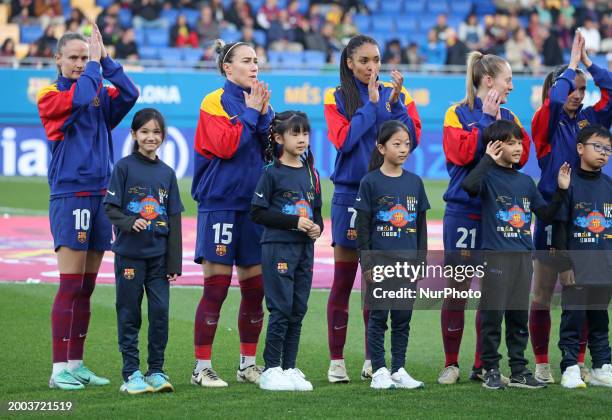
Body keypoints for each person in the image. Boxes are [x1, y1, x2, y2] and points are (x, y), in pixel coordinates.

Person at [36, 26, 138, 390]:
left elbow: (130, 93)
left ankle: (76, 363)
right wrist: (95, 66)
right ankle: (57, 369)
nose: (80, 64)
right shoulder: (51, 95)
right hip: (71, 196)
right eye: (74, 58)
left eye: (85, 57)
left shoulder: (95, 86)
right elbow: (78, 99)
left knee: (86, 287)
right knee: (70, 284)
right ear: (57, 59)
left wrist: (106, 61)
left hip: (100, 196)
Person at [324, 34, 421, 383]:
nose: (372, 67)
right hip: (350, 195)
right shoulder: (335, 96)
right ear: (349, 63)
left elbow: (411, 138)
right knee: (343, 280)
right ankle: (337, 361)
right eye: (364, 60)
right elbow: (345, 140)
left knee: (376, 283)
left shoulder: (400, 96)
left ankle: (372, 358)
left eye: (377, 60)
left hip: (388, 195)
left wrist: (394, 105)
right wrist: (372, 105)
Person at [438, 51, 530, 386]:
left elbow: (521, 155)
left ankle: (482, 365)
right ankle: (451, 363)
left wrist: (492, 128)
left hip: (497, 215)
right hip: (463, 212)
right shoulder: (455, 113)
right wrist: (489, 126)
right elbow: (460, 153)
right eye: (508, 79)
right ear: (488, 80)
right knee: (457, 288)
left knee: (492, 291)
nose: (512, 86)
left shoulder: (512, 116)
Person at [461, 119, 570, 390]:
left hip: (523, 258)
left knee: (518, 316)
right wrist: (486, 159)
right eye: (511, 143)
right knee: (492, 316)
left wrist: (561, 191)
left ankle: (519, 369)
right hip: (496, 256)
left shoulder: (525, 181)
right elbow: (469, 186)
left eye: (519, 141)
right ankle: (490, 369)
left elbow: (545, 214)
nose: (519, 147)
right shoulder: (486, 177)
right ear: (496, 146)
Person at [529, 30, 612, 384]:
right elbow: (555, 101)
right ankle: (544, 361)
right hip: (553, 214)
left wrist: (590, 64)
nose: (577, 95)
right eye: (571, 88)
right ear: (557, 90)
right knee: (544, 292)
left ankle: (580, 364)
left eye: (582, 89)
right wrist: (572, 65)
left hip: (587, 218)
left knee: (586, 290)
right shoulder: (545, 122)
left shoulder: (589, 123)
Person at [191, 39, 273, 387]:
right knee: (217, 289)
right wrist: (254, 113)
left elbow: (269, 150)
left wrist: (267, 116)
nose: (254, 66)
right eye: (246, 61)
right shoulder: (214, 101)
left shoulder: (261, 102)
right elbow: (226, 145)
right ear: (228, 68)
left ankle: (247, 364)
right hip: (220, 205)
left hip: (253, 209)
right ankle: (201, 368)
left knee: (255, 291)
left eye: (256, 60)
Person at [104, 108, 183, 394]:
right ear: (134, 134)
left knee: (160, 313)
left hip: (159, 259)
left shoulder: (167, 173)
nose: (151, 137)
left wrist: (174, 262)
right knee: (129, 314)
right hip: (129, 255)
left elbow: (174, 219)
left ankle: (157, 371)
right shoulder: (124, 167)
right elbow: (110, 208)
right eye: (145, 132)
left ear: (163, 136)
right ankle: (131, 374)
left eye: (156, 132)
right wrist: (129, 221)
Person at [250, 111, 323, 391]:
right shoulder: (271, 173)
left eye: (305, 133)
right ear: (280, 138)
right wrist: (294, 222)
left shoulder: (311, 173)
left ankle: (290, 367)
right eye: (295, 133)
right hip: (278, 248)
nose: (302, 139)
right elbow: (257, 212)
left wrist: (317, 228)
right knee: (280, 309)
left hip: (304, 250)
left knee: (298, 309)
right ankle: (271, 368)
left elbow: (316, 214)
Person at [355, 120, 428, 390]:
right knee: (378, 317)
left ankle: (398, 369)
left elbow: (420, 227)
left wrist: (420, 262)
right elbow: (361, 227)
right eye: (396, 144)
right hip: (380, 263)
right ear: (381, 147)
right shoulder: (370, 182)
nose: (403, 149)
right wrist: (367, 262)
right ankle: (379, 370)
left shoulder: (415, 183)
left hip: (407, 264)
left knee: (402, 319)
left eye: (407, 144)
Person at [553, 125, 612, 389]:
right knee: (573, 317)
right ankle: (569, 367)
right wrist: (564, 265)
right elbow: (560, 226)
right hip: (576, 265)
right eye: (597, 147)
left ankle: (602, 366)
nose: (603, 153)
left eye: (608, 149)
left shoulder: (609, 186)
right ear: (580, 148)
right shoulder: (568, 182)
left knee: (600, 317)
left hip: (605, 265)